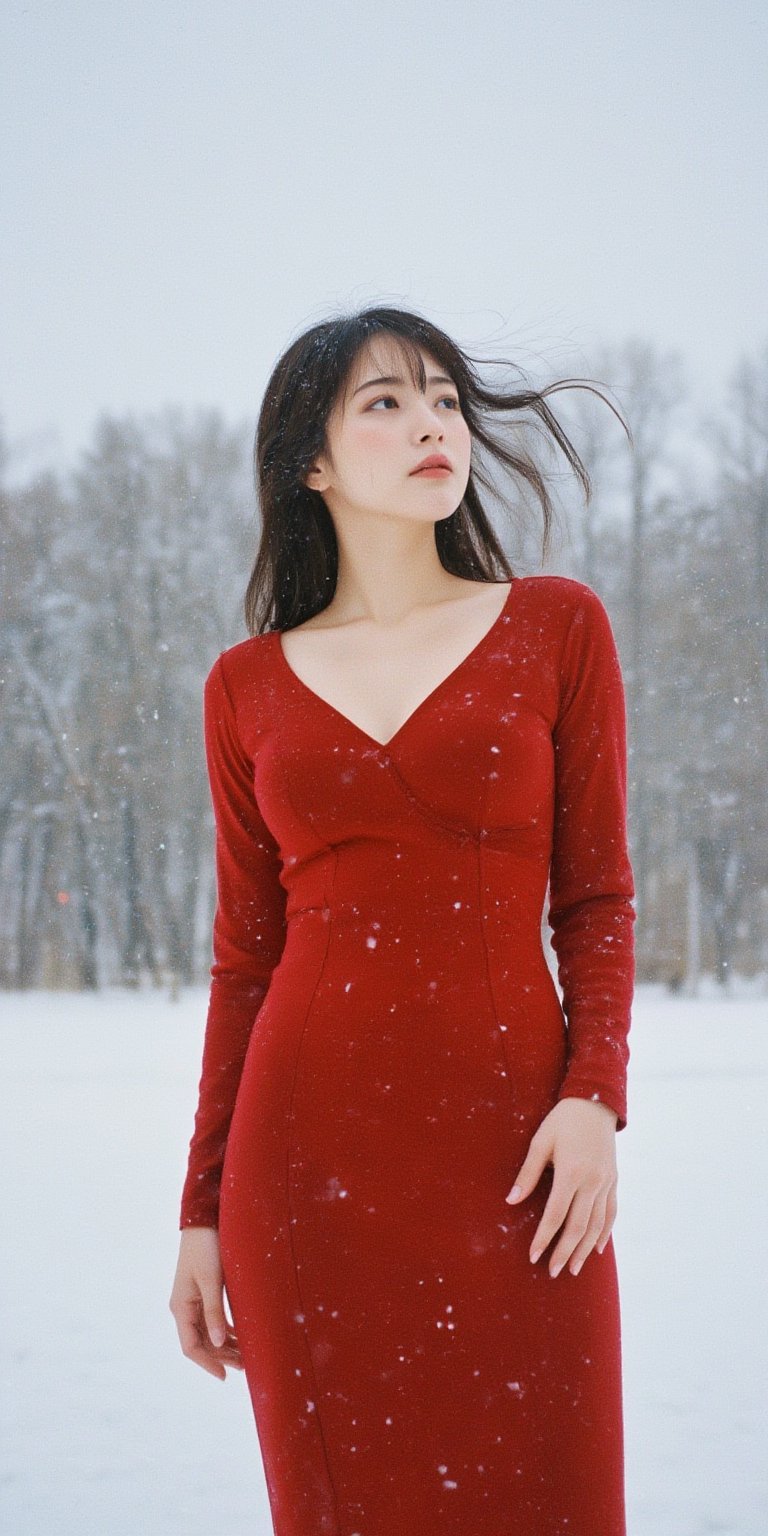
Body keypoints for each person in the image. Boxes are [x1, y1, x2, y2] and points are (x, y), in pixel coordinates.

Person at [169, 305, 636, 1535]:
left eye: (443, 398)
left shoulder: (556, 626)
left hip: (523, 1166)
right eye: (386, 401)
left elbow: (596, 898)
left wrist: (594, 1096)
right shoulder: (245, 687)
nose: (433, 422)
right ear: (310, 461)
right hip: (306, 1176)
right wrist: (202, 1212)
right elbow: (243, 962)